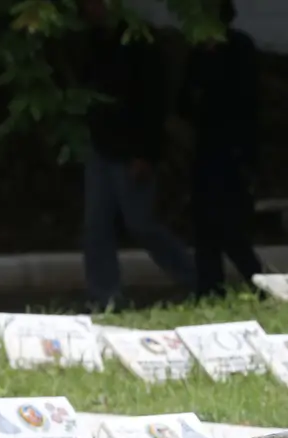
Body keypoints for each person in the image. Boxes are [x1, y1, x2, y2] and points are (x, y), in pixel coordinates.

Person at [79, 0, 193, 310]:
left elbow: (152, 102)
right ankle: (105, 295)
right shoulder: (92, 41)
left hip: (130, 148)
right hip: (101, 144)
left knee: (141, 222)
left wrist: (145, 153)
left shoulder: (139, 43)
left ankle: (193, 277)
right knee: (96, 225)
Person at [179, 0, 264, 298]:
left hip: (234, 150)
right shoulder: (198, 54)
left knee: (230, 226)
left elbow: (248, 102)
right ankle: (210, 289)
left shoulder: (240, 49)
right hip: (206, 149)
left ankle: (259, 282)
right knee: (204, 225)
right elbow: (185, 103)